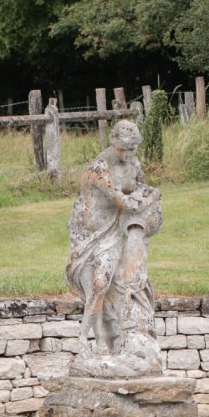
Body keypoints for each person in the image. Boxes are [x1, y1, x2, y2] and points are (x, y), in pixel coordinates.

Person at [65, 119, 162, 358]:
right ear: (114, 142)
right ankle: (86, 340)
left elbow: (139, 187)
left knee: (103, 283)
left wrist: (146, 196)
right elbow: (125, 201)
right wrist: (151, 196)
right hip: (89, 235)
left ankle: (104, 342)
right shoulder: (99, 169)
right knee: (97, 286)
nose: (128, 154)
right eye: (124, 149)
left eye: (133, 149)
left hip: (114, 230)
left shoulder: (133, 164)